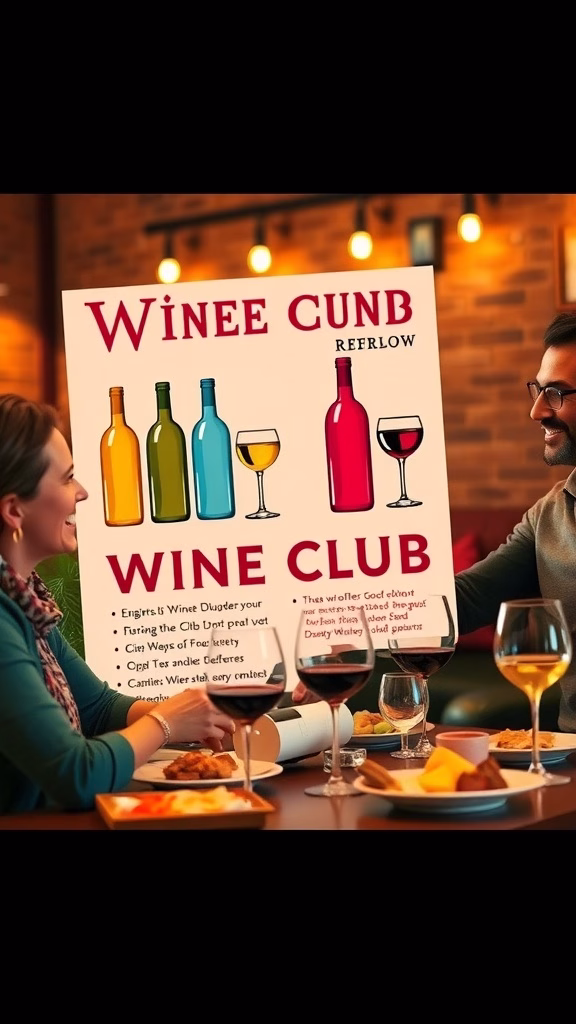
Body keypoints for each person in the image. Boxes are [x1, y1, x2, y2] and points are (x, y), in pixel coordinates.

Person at [292, 312, 576, 733]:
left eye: (556, 393)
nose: (536, 411)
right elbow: (463, 600)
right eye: (538, 390)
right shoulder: (550, 514)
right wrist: (346, 638)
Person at [0, 394, 235, 814]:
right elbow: (76, 774)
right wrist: (166, 723)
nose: (83, 492)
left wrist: (196, 716)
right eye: (67, 478)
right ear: (14, 510)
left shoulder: (25, 601)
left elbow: (97, 708)